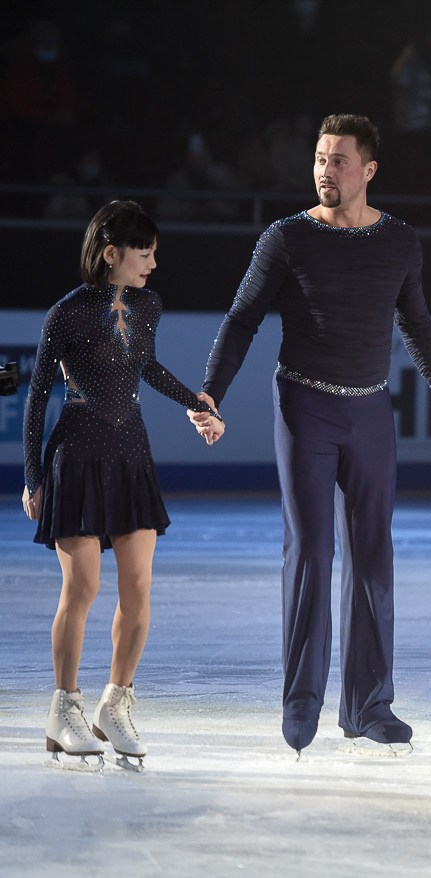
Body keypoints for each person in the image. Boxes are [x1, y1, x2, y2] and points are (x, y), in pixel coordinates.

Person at [191, 114, 431, 757]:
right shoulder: (286, 238)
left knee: (372, 555)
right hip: (304, 405)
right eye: (320, 159)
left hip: (370, 412)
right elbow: (242, 319)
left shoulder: (400, 242)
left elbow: (417, 326)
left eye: (338, 160)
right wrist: (211, 390)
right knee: (310, 551)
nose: (326, 171)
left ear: (368, 170)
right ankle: (301, 704)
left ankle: (368, 707)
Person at [22, 200, 224, 771]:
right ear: (111, 253)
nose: (153, 264)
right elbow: (36, 399)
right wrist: (34, 476)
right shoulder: (65, 313)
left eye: (155, 253)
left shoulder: (149, 305)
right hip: (77, 457)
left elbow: (148, 368)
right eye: (144, 253)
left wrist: (197, 403)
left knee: (138, 587)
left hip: (131, 453)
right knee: (82, 587)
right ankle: (64, 709)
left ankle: (116, 703)